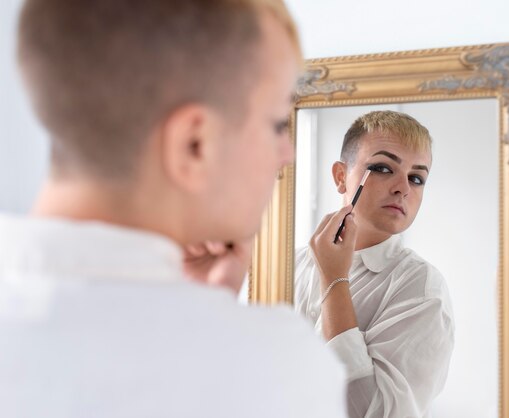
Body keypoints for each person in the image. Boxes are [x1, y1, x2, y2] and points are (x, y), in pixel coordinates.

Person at [0, 1, 347, 417]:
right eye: (276, 124)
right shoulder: (278, 369)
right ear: (194, 144)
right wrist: (211, 332)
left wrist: (197, 307)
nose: (287, 154)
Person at [295, 110, 455, 418]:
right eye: (383, 168)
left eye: (417, 178)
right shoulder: (286, 263)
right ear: (342, 177)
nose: (403, 188)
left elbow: (373, 413)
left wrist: (334, 280)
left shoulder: (422, 290)